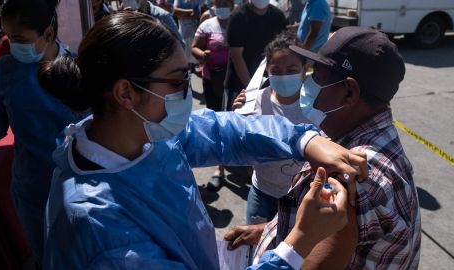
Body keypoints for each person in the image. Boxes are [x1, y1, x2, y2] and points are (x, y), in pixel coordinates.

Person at [38, 12, 368, 269]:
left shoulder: (145, 134)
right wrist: (298, 243)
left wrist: (305, 140)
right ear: (126, 93)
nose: (187, 94)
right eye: (179, 81)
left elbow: (224, 131)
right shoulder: (99, 226)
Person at [225, 26, 421, 270]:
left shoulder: (348, 177)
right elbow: (314, 230)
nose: (308, 85)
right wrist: (268, 231)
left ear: (349, 92)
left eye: (317, 77)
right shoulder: (372, 140)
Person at [0, 0, 79, 265]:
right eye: (7, 35)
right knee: (45, 256)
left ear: (48, 34)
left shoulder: (78, 71)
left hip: (79, 185)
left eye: (18, 38)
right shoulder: (7, 71)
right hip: (32, 188)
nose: (12, 44)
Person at [231, 31, 313, 224]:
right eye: (276, 71)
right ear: (267, 70)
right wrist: (236, 115)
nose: (284, 76)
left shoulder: (316, 104)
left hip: (302, 196)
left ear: (305, 69)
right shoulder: (254, 101)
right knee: (256, 246)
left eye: (292, 69)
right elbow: (239, 142)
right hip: (262, 192)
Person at [191, 0, 233, 190]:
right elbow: (194, 48)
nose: (223, 5)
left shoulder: (240, 22)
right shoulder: (207, 25)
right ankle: (219, 167)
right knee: (216, 120)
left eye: (227, 2)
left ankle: (248, 163)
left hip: (236, 81)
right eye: (220, 2)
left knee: (238, 118)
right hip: (212, 80)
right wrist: (203, 55)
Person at [223, 0, 287, 111]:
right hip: (240, 86)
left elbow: (282, 50)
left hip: (270, 85)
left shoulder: (278, 16)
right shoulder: (238, 17)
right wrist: (252, 89)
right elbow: (237, 57)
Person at [173, 0, 202, 70]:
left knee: (194, 48)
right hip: (183, 31)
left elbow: (197, 14)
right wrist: (190, 11)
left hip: (195, 30)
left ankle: (195, 65)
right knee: (184, 50)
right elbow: (175, 10)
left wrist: (182, 14)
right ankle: (187, 67)